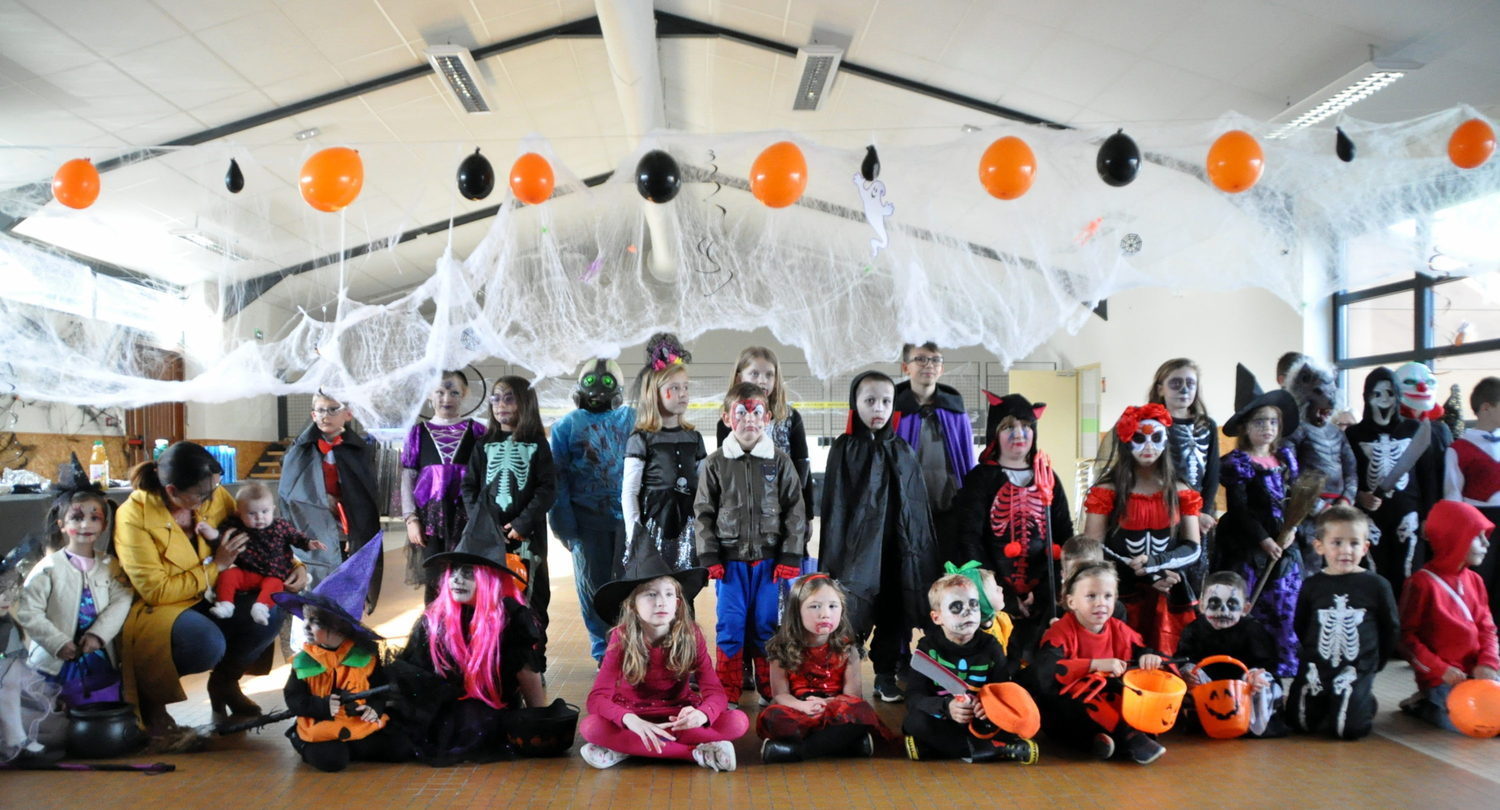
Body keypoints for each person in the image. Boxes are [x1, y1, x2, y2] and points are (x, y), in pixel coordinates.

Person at [115, 442, 305, 736]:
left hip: (218, 592)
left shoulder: (213, 495)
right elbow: (155, 591)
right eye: (202, 494)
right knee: (205, 643)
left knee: (273, 604)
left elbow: (260, 534)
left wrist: (295, 566)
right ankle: (151, 700)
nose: (212, 497)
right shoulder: (133, 515)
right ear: (172, 491)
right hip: (163, 608)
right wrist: (217, 566)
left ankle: (225, 683)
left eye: (215, 488)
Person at [821, 370, 939, 703]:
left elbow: (916, 506)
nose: (878, 408)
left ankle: (885, 675)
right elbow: (835, 507)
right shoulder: (844, 448)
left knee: (893, 612)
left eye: (886, 401)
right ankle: (843, 678)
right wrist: (835, 557)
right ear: (855, 403)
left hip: (895, 550)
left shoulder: (901, 449)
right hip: (855, 552)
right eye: (870, 400)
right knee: (851, 611)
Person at [578, 551, 747, 772]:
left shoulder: (691, 635)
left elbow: (715, 691)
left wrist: (703, 714)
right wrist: (628, 719)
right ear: (632, 605)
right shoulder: (622, 637)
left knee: (737, 721)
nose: (661, 602)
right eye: (651, 594)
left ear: (677, 603)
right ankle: (695, 753)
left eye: (669, 594)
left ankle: (628, 748)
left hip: (678, 715)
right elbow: (597, 698)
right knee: (591, 727)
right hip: (634, 715)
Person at [695, 382, 807, 706]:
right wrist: (709, 555)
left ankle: (770, 691)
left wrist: (790, 554)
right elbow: (703, 512)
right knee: (730, 625)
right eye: (741, 413)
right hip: (730, 566)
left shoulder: (780, 461)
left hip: (769, 565)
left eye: (757, 413)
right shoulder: (715, 463)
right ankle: (726, 694)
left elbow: (795, 510)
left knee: (766, 625)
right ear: (727, 418)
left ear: (767, 418)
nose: (749, 420)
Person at [394, 529, 545, 764]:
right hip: (441, 703)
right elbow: (415, 671)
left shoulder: (511, 617)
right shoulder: (435, 619)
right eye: (453, 572)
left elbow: (526, 670)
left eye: (467, 573)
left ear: (488, 579)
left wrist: (540, 719)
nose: (456, 580)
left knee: (475, 722)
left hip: (489, 704)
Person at [274, 538, 410, 772]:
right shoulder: (305, 661)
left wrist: (374, 708)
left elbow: (378, 688)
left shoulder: (365, 657)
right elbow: (294, 698)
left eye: (315, 622)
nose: (306, 626)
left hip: (358, 722)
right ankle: (302, 741)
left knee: (402, 749)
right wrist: (320, 705)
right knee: (332, 761)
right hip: (321, 724)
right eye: (305, 619)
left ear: (339, 629)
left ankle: (352, 747)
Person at [953, 392, 1070, 662]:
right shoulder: (981, 478)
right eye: (1008, 427)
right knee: (1001, 659)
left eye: (1026, 426)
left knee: (1043, 660)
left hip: (1043, 595)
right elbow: (969, 539)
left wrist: (1047, 589)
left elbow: (1064, 534)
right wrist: (999, 592)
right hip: (994, 593)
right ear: (995, 433)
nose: (1019, 433)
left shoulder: (1047, 477)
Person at [1084, 403, 1202, 655]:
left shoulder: (1181, 490)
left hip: (1169, 589)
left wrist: (1158, 564)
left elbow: (1194, 547)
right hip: (1120, 591)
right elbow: (1092, 548)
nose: (1149, 446)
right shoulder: (1107, 490)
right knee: (1121, 658)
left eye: (1156, 438)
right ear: (1127, 440)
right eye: (1140, 438)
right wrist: (1148, 574)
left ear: (1165, 440)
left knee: (1167, 660)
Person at [461, 376, 556, 669]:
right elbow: (469, 487)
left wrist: (522, 523)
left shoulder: (538, 444)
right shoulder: (483, 445)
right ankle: (494, 660)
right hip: (489, 540)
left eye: (509, 398)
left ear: (525, 403)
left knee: (532, 599)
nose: (500, 404)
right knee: (490, 597)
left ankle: (533, 663)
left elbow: (547, 489)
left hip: (527, 540)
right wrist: (482, 524)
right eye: (496, 398)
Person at [1035, 562, 1168, 764]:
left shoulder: (1120, 629)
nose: (1101, 603)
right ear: (1071, 602)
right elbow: (1047, 672)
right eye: (1091, 596)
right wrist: (1095, 664)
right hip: (1064, 709)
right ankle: (1128, 738)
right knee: (1084, 694)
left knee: (1125, 692)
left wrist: (1148, 657)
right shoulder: (1060, 632)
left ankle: (1102, 741)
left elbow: (1144, 649)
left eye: (1108, 596)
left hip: (1106, 703)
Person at [1216, 364, 1302, 677]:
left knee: (1285, 602)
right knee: (1251, 602)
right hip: (1248, 545)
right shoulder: (1238, 462)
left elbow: (1297, 499)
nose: (1267, 427)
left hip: (1285, 542)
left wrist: (1292, 530)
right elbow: (1239, 509)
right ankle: (1249, 662)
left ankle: (1283, 662)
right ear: (1245, 428)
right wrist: (1263, 539)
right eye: (1259, 422)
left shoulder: (1285, 458)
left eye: (1272, 421)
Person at [902, 573, 1040, 763]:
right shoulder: (927, 648)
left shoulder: (991, 645)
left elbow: (1001, 689)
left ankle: (941, 749)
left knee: (1020, 712)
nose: (968, 612)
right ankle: (995, 750)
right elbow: (913, 697)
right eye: (956, 607)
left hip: (982, 722)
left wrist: (988, 707)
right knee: (915, 722)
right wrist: (947, 707)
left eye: (974, 605)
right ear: (937, 617)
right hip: (944, 721)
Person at [550, 358, 636, 664]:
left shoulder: (631, 419)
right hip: (586, 524)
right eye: (589, 381)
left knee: (630, 587)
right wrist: (564, 527)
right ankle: (604, 653)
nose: (598, 388)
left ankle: (631, 649)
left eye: (607, 382)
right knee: (592, 589)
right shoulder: (565, 427)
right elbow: (558, 479)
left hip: (628, 522)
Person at [1287, 506, 1398, 740]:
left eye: (1354, 543)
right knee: (1299, 722)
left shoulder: (1377, 585)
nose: (1346, 550)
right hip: (1317, 666)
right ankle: (1331, 700)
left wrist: (1374, 664)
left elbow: (1390, 627)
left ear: (1365, 547)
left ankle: (1363, 699)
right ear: (1319, 546)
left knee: (1347, 729)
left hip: (1356, 667)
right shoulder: (1312, 585)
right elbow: (1301, 623)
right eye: (1337, 543)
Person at [17, 483, 132, 707]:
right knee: (56, 713)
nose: (85, 525)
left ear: (104, 524)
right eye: (77, 518)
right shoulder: (48, 568)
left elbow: (122, 599)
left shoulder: (110, 566)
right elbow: (29, 612)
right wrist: (57, 642)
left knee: (99, 708)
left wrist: (98, 635)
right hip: (54, 662)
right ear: (61, 525)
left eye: (94, 518)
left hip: (98, 658)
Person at [758, 573, 888, 763]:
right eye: (815, 606)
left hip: (834, 707)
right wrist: (803, 706)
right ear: (796, 611)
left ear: (842, 610)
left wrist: (826, 704)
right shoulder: (781, 648)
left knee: (861, 710)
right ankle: (847, 745)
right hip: (797, 708)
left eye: (833, 606)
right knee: (773, 717)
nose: (825, 614)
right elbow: (780, 694)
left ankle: (795, 751)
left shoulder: (847, 649)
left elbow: (852, 696)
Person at [1398, 500, 1500, 730]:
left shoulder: (1475, 581)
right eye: (1478, 537)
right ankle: (1424, 704)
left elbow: (1487, 628)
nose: (1486, 543)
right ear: (1454, 539)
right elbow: (1405, 639)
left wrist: (1488, 663)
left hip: (1478, 674)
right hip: (1443, 679)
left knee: (1493, 720)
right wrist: (1440, 670)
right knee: (1471, 725)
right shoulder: (1421, 584)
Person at [279, 391, 381, 606]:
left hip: (347, 527)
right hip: (313, 526)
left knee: (347, 585)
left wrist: (349, 512)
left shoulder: (359, 450)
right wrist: (321, 498)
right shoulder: (300, 449)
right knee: (315, 584)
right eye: (321, 410)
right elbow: (290, 491)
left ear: (348, 414)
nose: (326, 415)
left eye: (333, 409)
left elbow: (366, 495)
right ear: (313, 415)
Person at [1349, 367, 1440, 598]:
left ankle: (1409, 619)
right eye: (1377, 394)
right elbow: (1348, 475)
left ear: (1398, 395)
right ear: (1367, 396)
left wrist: (1429, 516)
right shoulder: (1353, 434)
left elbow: (1428, 477)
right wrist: (1359, 495)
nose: (1384, 399)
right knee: (1373, 571)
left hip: (1408, 513)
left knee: (1409, 572)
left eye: (1390, 393)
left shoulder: (1415, 430)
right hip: (1370, 516)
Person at [623, 334, 705, 573]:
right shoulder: (641, 439)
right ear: (654, 393)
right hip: (653, 529)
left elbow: (705, 488)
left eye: (685, 387)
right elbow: (629, 492)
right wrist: (634, 535)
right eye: (674, 388)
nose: (683, 394)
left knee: (685, 587)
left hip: (688, 529)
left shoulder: (694, 438)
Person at [400, 370, 487, 597]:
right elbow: (408, 477)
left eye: (454, 392)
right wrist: (411, 519)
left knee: (467, 579)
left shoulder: (478, 432)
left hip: (467, 518)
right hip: (430, 521)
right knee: (435, 581)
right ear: (430, 394)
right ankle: (434, 620)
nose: (446, 398)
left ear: (464, 394)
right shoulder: (417, 434)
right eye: (439, 392)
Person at [714, 346, 814, 542]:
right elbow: (724, 474)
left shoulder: (791, 418)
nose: (762, 380)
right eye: (754, 374)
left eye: (769, 375)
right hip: (744, 515)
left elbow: (803, 467)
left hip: (786, 512)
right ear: (739, 377)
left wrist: (808, 513)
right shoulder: (726, 423)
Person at [1176, 571, 1285, 737]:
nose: (1223, 610)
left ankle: (1254, 726)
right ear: (1202, 606)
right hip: (1211, 690)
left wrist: (1254, 676)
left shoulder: (1253, 630)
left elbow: (1267, 663)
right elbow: (1184, 657)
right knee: (1187, 676)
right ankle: (1202, 722)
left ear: (1245, 609)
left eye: (1232, 604)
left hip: (1245, 687)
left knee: (1264, 680)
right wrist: (1187, 672)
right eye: (1214, 603)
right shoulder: (1194, 629)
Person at [893, 342, 975, 563]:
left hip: (949, 511)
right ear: (905, 367)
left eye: (935, 360)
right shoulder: (895, 412)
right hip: (907, 513)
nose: (928, 365)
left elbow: (966, 462)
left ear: (942, 368)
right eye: (920, 359)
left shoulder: (955, 413)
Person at [202, 481, 326, 624]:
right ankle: (225, 604)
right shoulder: (236, 526)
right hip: (245, 572)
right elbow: (222, 539)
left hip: (272, 574)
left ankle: (261, 608)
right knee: (228, 575)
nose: (259, 517)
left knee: (276, 585)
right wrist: (211, 533)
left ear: (273, 509)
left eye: (264, 512)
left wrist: (309, 543)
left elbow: (296, 537)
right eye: (252, 513)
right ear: (239, 513)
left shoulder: (280, 526)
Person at [1147, 359, 1221, 589]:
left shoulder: (1207, 425)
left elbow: (1212, 474)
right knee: (1166, 574)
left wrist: (1202, 512)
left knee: (1196, 577)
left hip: (1201, 515)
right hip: (1164, 511)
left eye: (1190, 383)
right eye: (1176, 383)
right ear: (1161, 388)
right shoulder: (1153, 425)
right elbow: (1151, 471)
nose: (1184, 389)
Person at [1282, 358, 1357, 572]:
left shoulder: (1336, 433)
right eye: (1319, 392)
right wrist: (1320, 507)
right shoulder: (1294, 432)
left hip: (1340, 513)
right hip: (1308, 516)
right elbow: (1290, 476)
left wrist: (1345, 501)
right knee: (1311, 571)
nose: (1329, 400)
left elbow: (1351, 470)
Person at [1444, 376, 1500, 618]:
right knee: (1481, 579)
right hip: (1479, 523)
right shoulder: (1459, 449)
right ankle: (1477, 626)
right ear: (1486, 408)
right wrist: (1462, 533)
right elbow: (1452, 495)